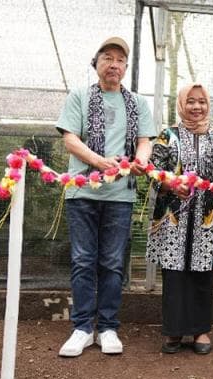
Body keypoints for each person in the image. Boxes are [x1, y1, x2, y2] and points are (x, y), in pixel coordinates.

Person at [56, 36, 156, 357]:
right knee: (83, 260)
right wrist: (98, 162)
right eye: (107, 58)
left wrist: (141, 160)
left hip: (119, 195)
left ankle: (109, 327)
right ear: (96, 63)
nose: (114, 64)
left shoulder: (138, 103)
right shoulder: (80, 97)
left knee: (113, 263)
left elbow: (145, 141)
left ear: (126, 67)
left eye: (120, 60)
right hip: (82, 192)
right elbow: (70, 139)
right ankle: (82, 328)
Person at [146, 83, 213, 355]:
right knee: (174, 273)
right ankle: (173, 331)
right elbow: (153, 170)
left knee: (203, 272)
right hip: (173, 216)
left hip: (208, 216)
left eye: (202, 102)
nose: (196, 107)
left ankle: (201, 331)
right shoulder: (167, 135)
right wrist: (170, 184)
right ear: (181, 104)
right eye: (191, 101)